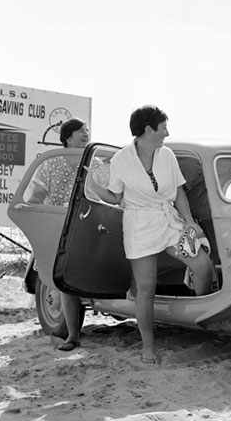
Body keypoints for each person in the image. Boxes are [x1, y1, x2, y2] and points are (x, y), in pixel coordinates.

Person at [88, 105, 214, 364]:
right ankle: (148, 347)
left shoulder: (166, 155)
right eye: (164, 127)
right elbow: (116, 197)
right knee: (145, 287)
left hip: (169, 222)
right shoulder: (122, 159)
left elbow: (179, 192)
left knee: (202, 265)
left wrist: (189, 222)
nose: (167, 133)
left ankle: (198, 321)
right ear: (148, 129)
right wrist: (92, 186)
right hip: (139, 226)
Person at [26, 118, 94, 351]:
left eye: (87, 130)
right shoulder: (51, 164)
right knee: (66, 282)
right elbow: (35, 197)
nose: (86, 134)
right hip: (59, 229)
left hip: (88, 227)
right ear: (67, 137)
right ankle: (72, 335)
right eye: (81, 131)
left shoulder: (93, 163)